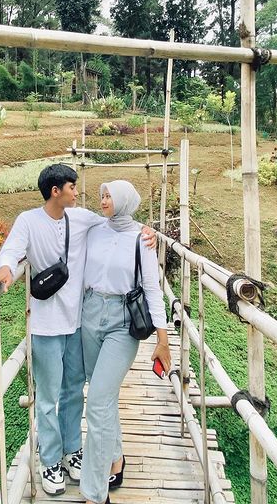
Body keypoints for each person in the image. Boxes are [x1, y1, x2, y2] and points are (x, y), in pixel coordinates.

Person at [0, 164, 155, 496]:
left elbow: (117, 222)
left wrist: (148, 232)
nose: (78, 192)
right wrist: (4, 269)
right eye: (72, 186)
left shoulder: (81, 217)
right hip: (45, 325)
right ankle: (51, 461)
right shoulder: (28, 221)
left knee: (73, 390)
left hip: (77, 322)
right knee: (47, 397)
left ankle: (72, 450)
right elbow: (13, 250)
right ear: (56, 191)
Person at [79, 180, 171, 504]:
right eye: (102, 195)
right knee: (102, 397)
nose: (103, 200)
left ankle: (94, 492)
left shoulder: (140, 239)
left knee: (98, 402)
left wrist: (163, 340)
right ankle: (116, 459)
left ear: (124, 202)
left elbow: (153, 288)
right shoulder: (93, 228)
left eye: (109, 196)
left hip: (122, 322)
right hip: (89, 315)